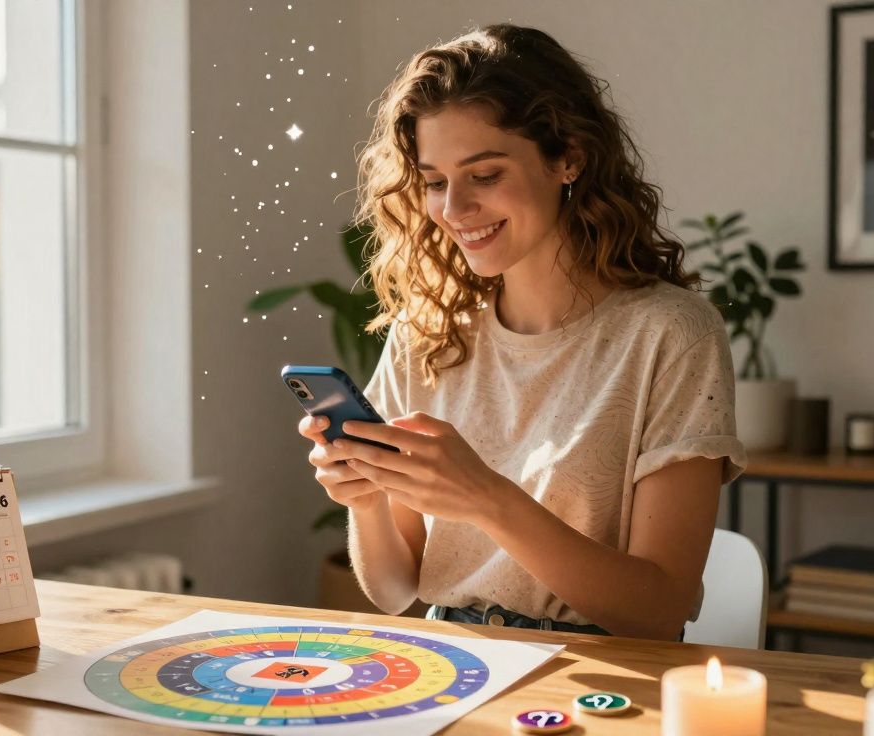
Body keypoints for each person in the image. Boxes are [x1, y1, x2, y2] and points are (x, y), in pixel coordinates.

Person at [297, 24, 747, 640]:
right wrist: (366, 498)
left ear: (568, 158)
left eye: (484, 175)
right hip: (453, 659)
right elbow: (396, 590)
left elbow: (659, 608)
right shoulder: (425, 334)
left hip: (603, 677)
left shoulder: (672, 335)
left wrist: (485, 496)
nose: (453, 209)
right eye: (434, 182)